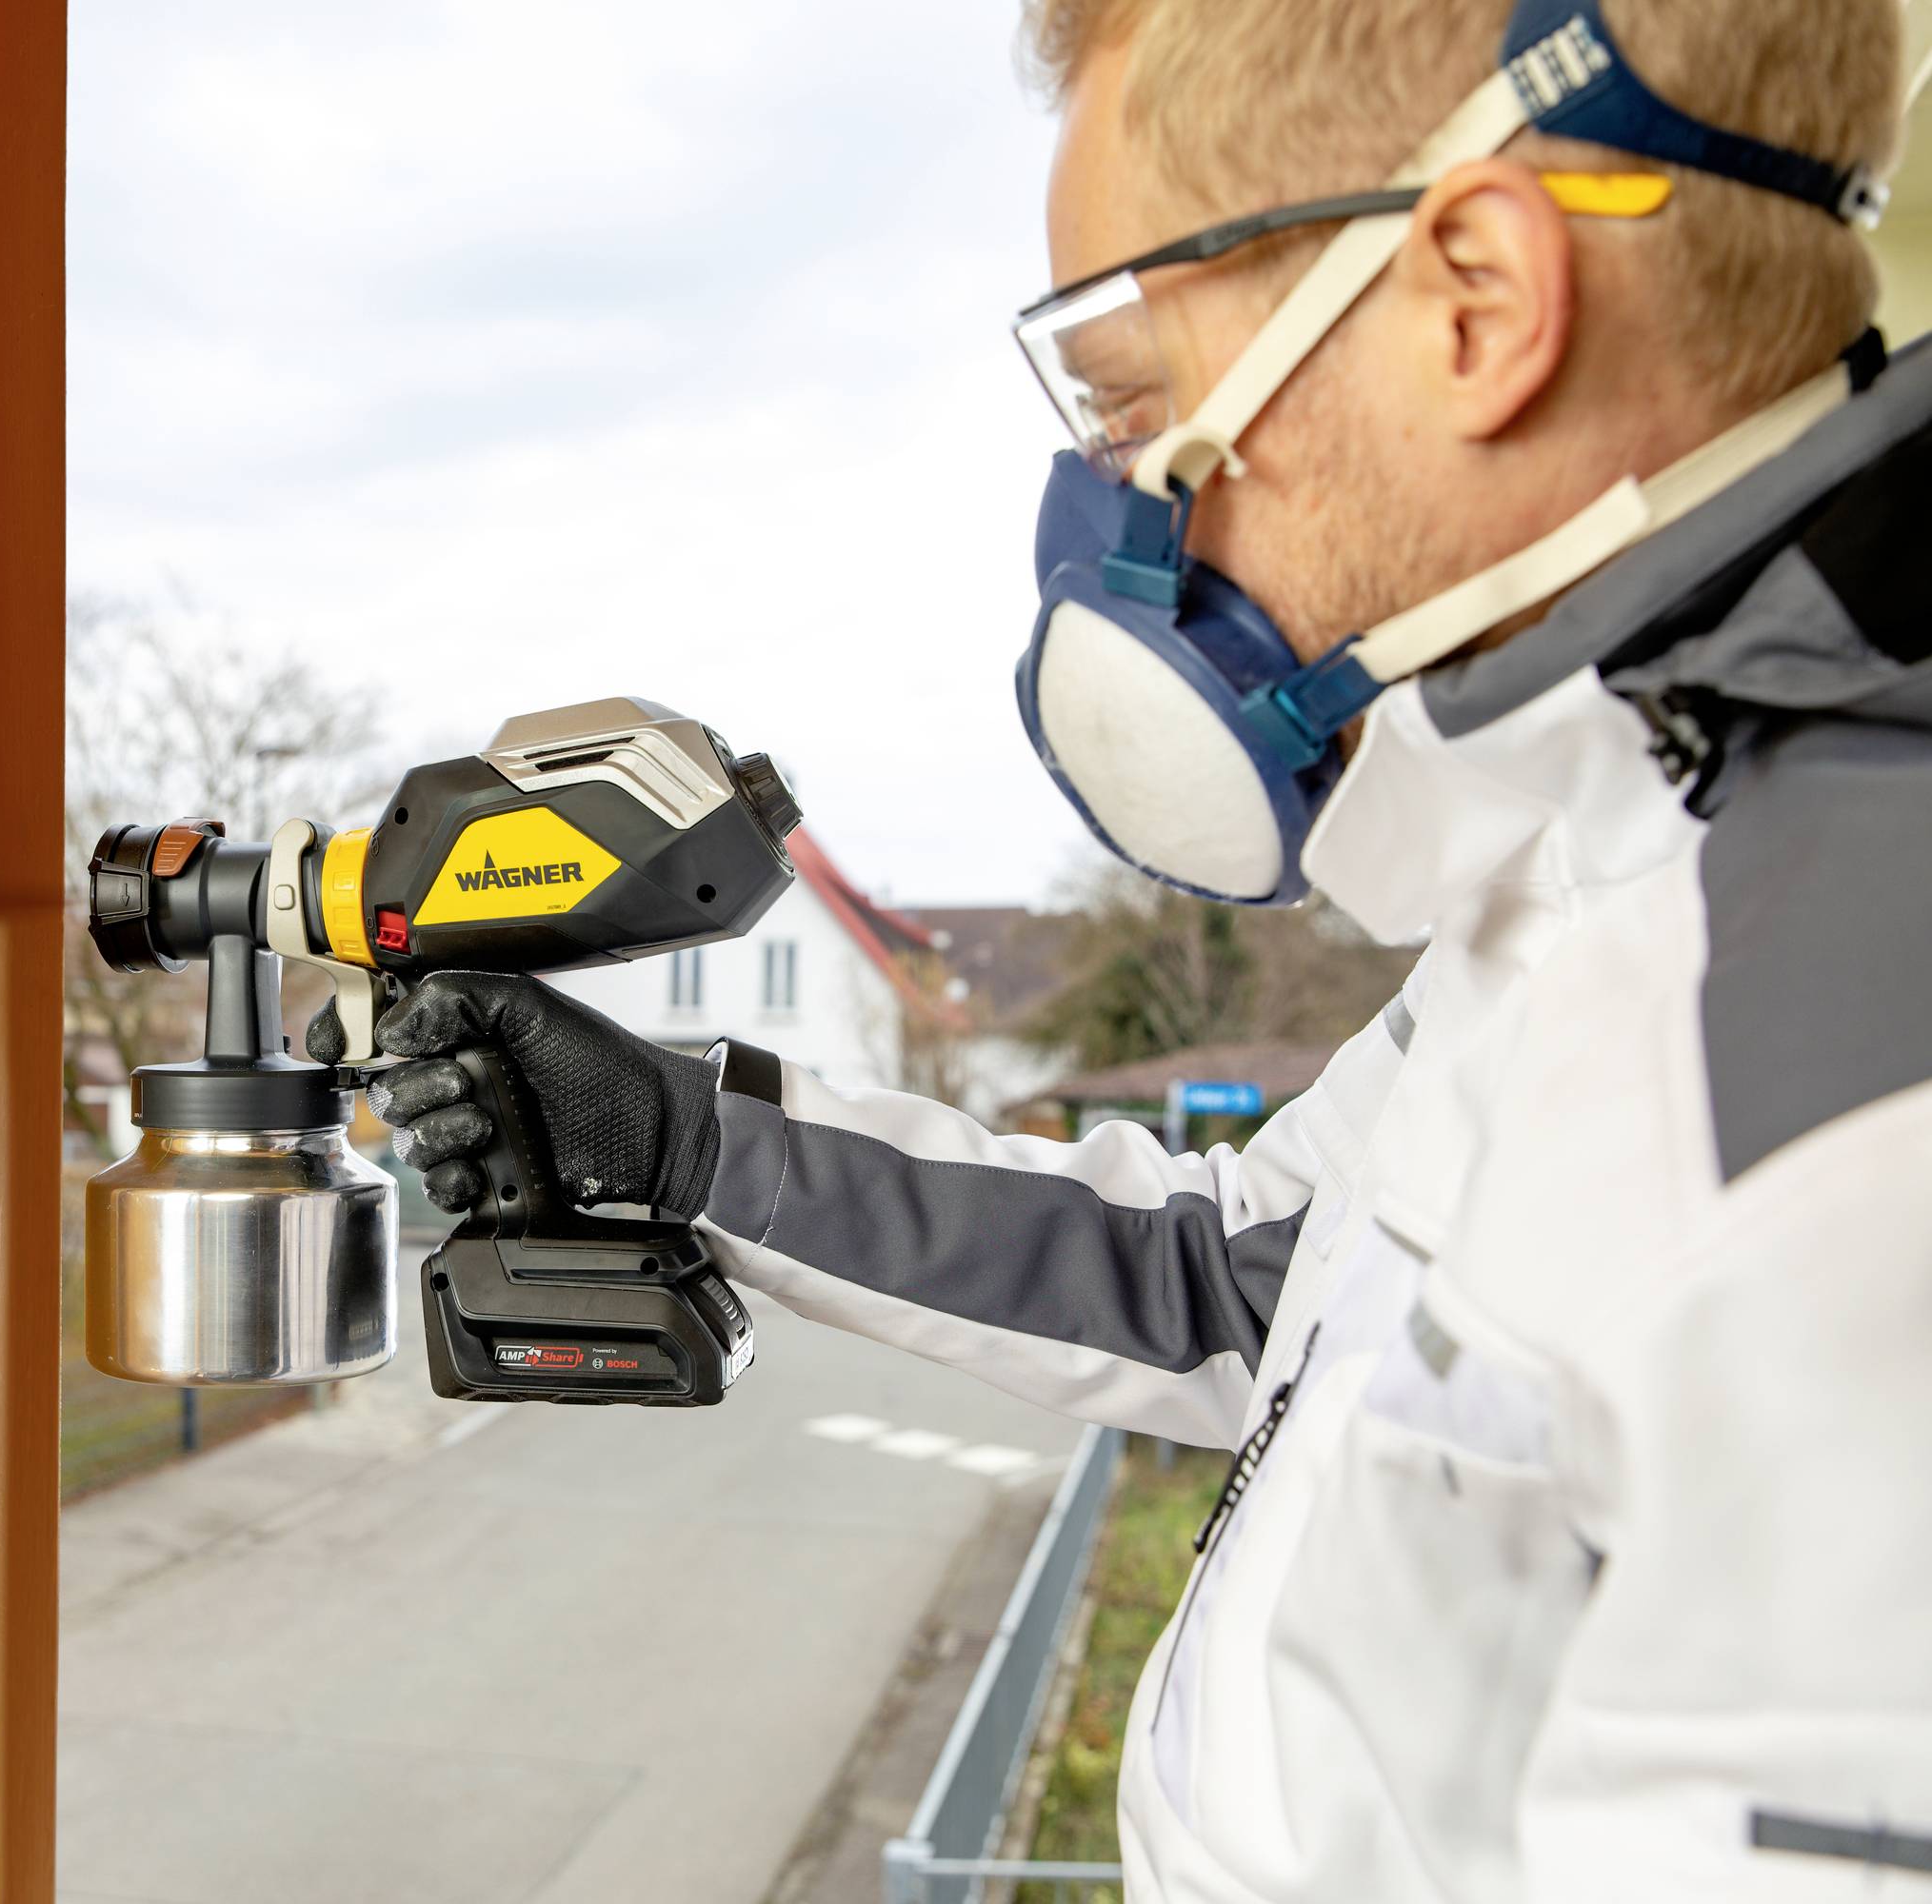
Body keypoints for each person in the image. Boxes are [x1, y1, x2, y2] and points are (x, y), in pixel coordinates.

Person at [318, 0, 1932, 1894]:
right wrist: (686, 1143)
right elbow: (1225, 1283)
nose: (1117, 490)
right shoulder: (1597, 855)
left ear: (1477, 302)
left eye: (1135, 390)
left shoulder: (1831, 1077)